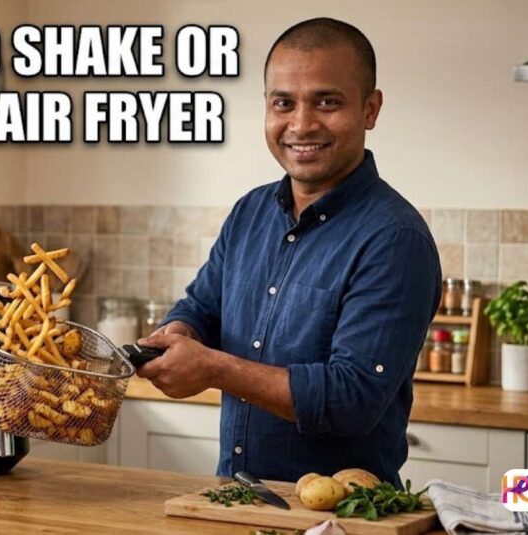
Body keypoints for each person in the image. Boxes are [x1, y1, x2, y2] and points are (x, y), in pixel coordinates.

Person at [137, 17, 441, 485]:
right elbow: (201, 308)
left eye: (327, 101)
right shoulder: (250, 212)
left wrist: (214, 368)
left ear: (370, 109)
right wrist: (176, 334)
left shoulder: (395, 238)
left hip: (343, 515)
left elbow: (351, 398)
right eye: (284, 103)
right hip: (235, 500)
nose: (301, 124)